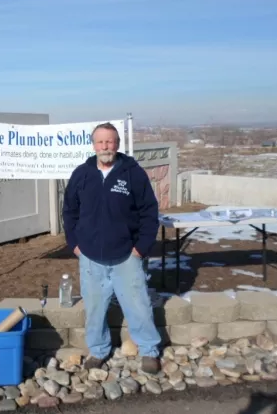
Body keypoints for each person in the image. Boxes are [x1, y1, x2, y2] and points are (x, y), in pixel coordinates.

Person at [62, 121, 162, 374]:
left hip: (126, 256)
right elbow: (70, 212)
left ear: (117, 144)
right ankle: (98, 350)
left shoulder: (133, 173)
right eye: (101, 142)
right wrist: (74, 244)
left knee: (138, 305)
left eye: (110, 141)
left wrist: (140, 247)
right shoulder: (81, 175)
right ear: (94, 145)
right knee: (95, 309)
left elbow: (149, 213)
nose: (106, 146)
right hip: (91, 257)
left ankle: (149, 350)